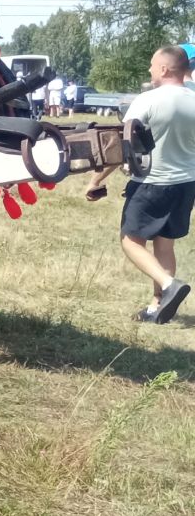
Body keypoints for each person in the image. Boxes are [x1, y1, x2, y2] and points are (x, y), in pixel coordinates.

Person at [84, 45, 195, 323]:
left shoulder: (147, 101)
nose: (149, 69)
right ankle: (158, 307)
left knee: (130, 241)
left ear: (164, 69)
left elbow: (120, 147)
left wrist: (95, 180)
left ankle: (169, 286)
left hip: (151, 183)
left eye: (151, 65)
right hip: (185, 184)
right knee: (165, 246)